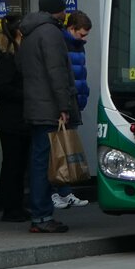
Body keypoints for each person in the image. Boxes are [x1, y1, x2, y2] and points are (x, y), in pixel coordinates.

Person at [17, 0, 80, 234]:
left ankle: (39, 214)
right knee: (46, 164)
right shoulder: (51, 32)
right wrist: (63, 106)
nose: (66, 13)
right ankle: (42, 216)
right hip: (50, 108)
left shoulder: (28, 33)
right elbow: (57, 72)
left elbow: (21, 67)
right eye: (63, 9)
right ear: (57, 9)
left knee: (39, 160)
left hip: (35, 105)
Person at [0, 14, 31, 222]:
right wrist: (26, 95)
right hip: (12, 119)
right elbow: (3, 87)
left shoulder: (14, 54)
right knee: (14, 164)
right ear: (19, 32)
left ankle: (14, 206)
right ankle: (11, 208)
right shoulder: (8, 57)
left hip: (13, 118)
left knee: (16, 164)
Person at [52, 11, 93, 210]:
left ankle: (64, 192)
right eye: (82, 34)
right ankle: (57, 191)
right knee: (59, 151)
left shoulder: (76, 45)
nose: (84, 38)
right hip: (67, 103)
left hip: (73, 102)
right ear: (71, 28)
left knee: (65, 151)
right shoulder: (64, 44)